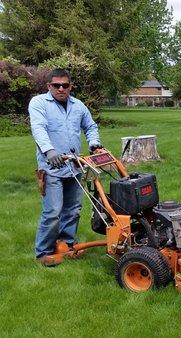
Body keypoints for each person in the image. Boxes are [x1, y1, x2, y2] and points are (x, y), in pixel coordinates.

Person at [29, 68, 103, 267]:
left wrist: (94, 143)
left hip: (75, 165)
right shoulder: (39, 103)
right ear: (49, 86)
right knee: (53, 211)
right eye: (56, 85)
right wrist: (49, 151)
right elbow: (38, 128)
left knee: (73, 209)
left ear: (70, 86)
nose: (61, 89)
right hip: (51, 167)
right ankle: (43, 252)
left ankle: (67, 244)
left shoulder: (78, 105)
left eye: (65, 85)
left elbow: (90, 126)